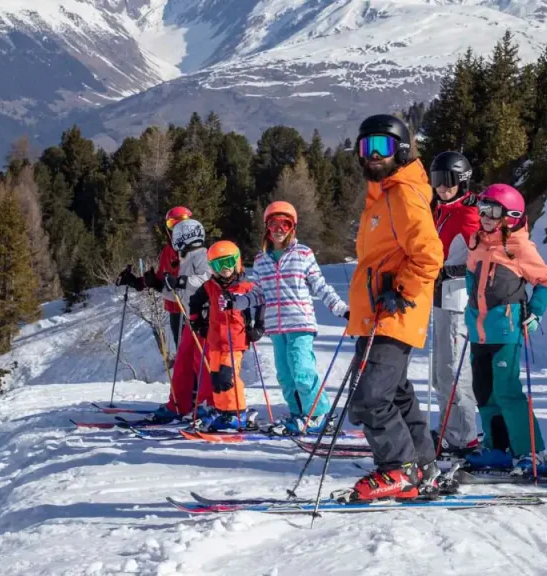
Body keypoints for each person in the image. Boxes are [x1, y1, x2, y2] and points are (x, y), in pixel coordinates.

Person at [341, 114, 444, 501]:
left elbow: (430, 254)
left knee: (371, 398)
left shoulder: (402, 194)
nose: (372, 156)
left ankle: (397, 469)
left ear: (400, 150)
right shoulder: (380, 199)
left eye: (381, 148)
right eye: (365, 148)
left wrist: (400, 290)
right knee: (396, 393)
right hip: (375, 316)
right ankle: (421, 467)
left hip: (393, 314)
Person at [460, 184, 547, 477]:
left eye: (492, 212)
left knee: (507, 391)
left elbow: (545, 281)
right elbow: (471, 276)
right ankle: (497, 448)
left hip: (506, 328)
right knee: (484, 391)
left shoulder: (520, 246)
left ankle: (531, 452)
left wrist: (535, 313)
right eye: (482, 209)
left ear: (511, 216)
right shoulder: (477, 241)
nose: (485, 217)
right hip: (479, 330)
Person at [252, 201, 350, 435]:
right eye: (274, 223)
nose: (279, 229)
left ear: (292, 227)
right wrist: (236, 303)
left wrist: (341, 308)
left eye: (285, 224)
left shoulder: (303, 253)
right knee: (285, 375)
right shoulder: (260, 260)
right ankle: (298, 413)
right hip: (276, 327)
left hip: (300, 323)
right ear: (267, 227)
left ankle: (318, 415)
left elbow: (320, 286)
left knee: (302, 371)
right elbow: (256, 294)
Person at [117, 218, 213, 423]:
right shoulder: (186, 259)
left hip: (205, 320)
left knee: (202, 364)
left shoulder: (203, 255)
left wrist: (181, 280)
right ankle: (179, 403)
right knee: (182, 364)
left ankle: (208, 406)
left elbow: (208, 280)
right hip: (190, 320)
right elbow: (178, 294)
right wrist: (157, 285)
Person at [428, 151, 481, 457]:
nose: (442, 188)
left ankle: (464, 437)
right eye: (437, 181)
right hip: (439, 296)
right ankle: (451, 429)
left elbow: (483, 253)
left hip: (456, 298)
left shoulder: (469, 212)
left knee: (453, 370)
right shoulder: (441, 210)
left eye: (448, 181)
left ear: (462, 181)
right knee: (439, 373)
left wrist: (454, 269)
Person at [187, 240, 266, 431]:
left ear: (237, 262)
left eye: (229, 262)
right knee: (217, 378)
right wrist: (196, 322)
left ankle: (236, 412)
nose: (225, 269)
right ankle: (224, 410)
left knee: (227, 376)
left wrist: (259, 327)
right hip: (215, 340)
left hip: (236, 340)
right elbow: (194, 302)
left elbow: (261, 302)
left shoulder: (245, 286)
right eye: (218, 264)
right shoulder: (210, 286)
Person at [159, 206, 193, 349]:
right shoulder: (167, 251)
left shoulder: (197, 247)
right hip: (175, 307)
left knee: (196, 348)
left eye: (182, 222)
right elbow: (159, 275)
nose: (178, 227)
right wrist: (140, 281)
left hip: (193, 307)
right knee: (181, 347)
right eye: (173, 224)